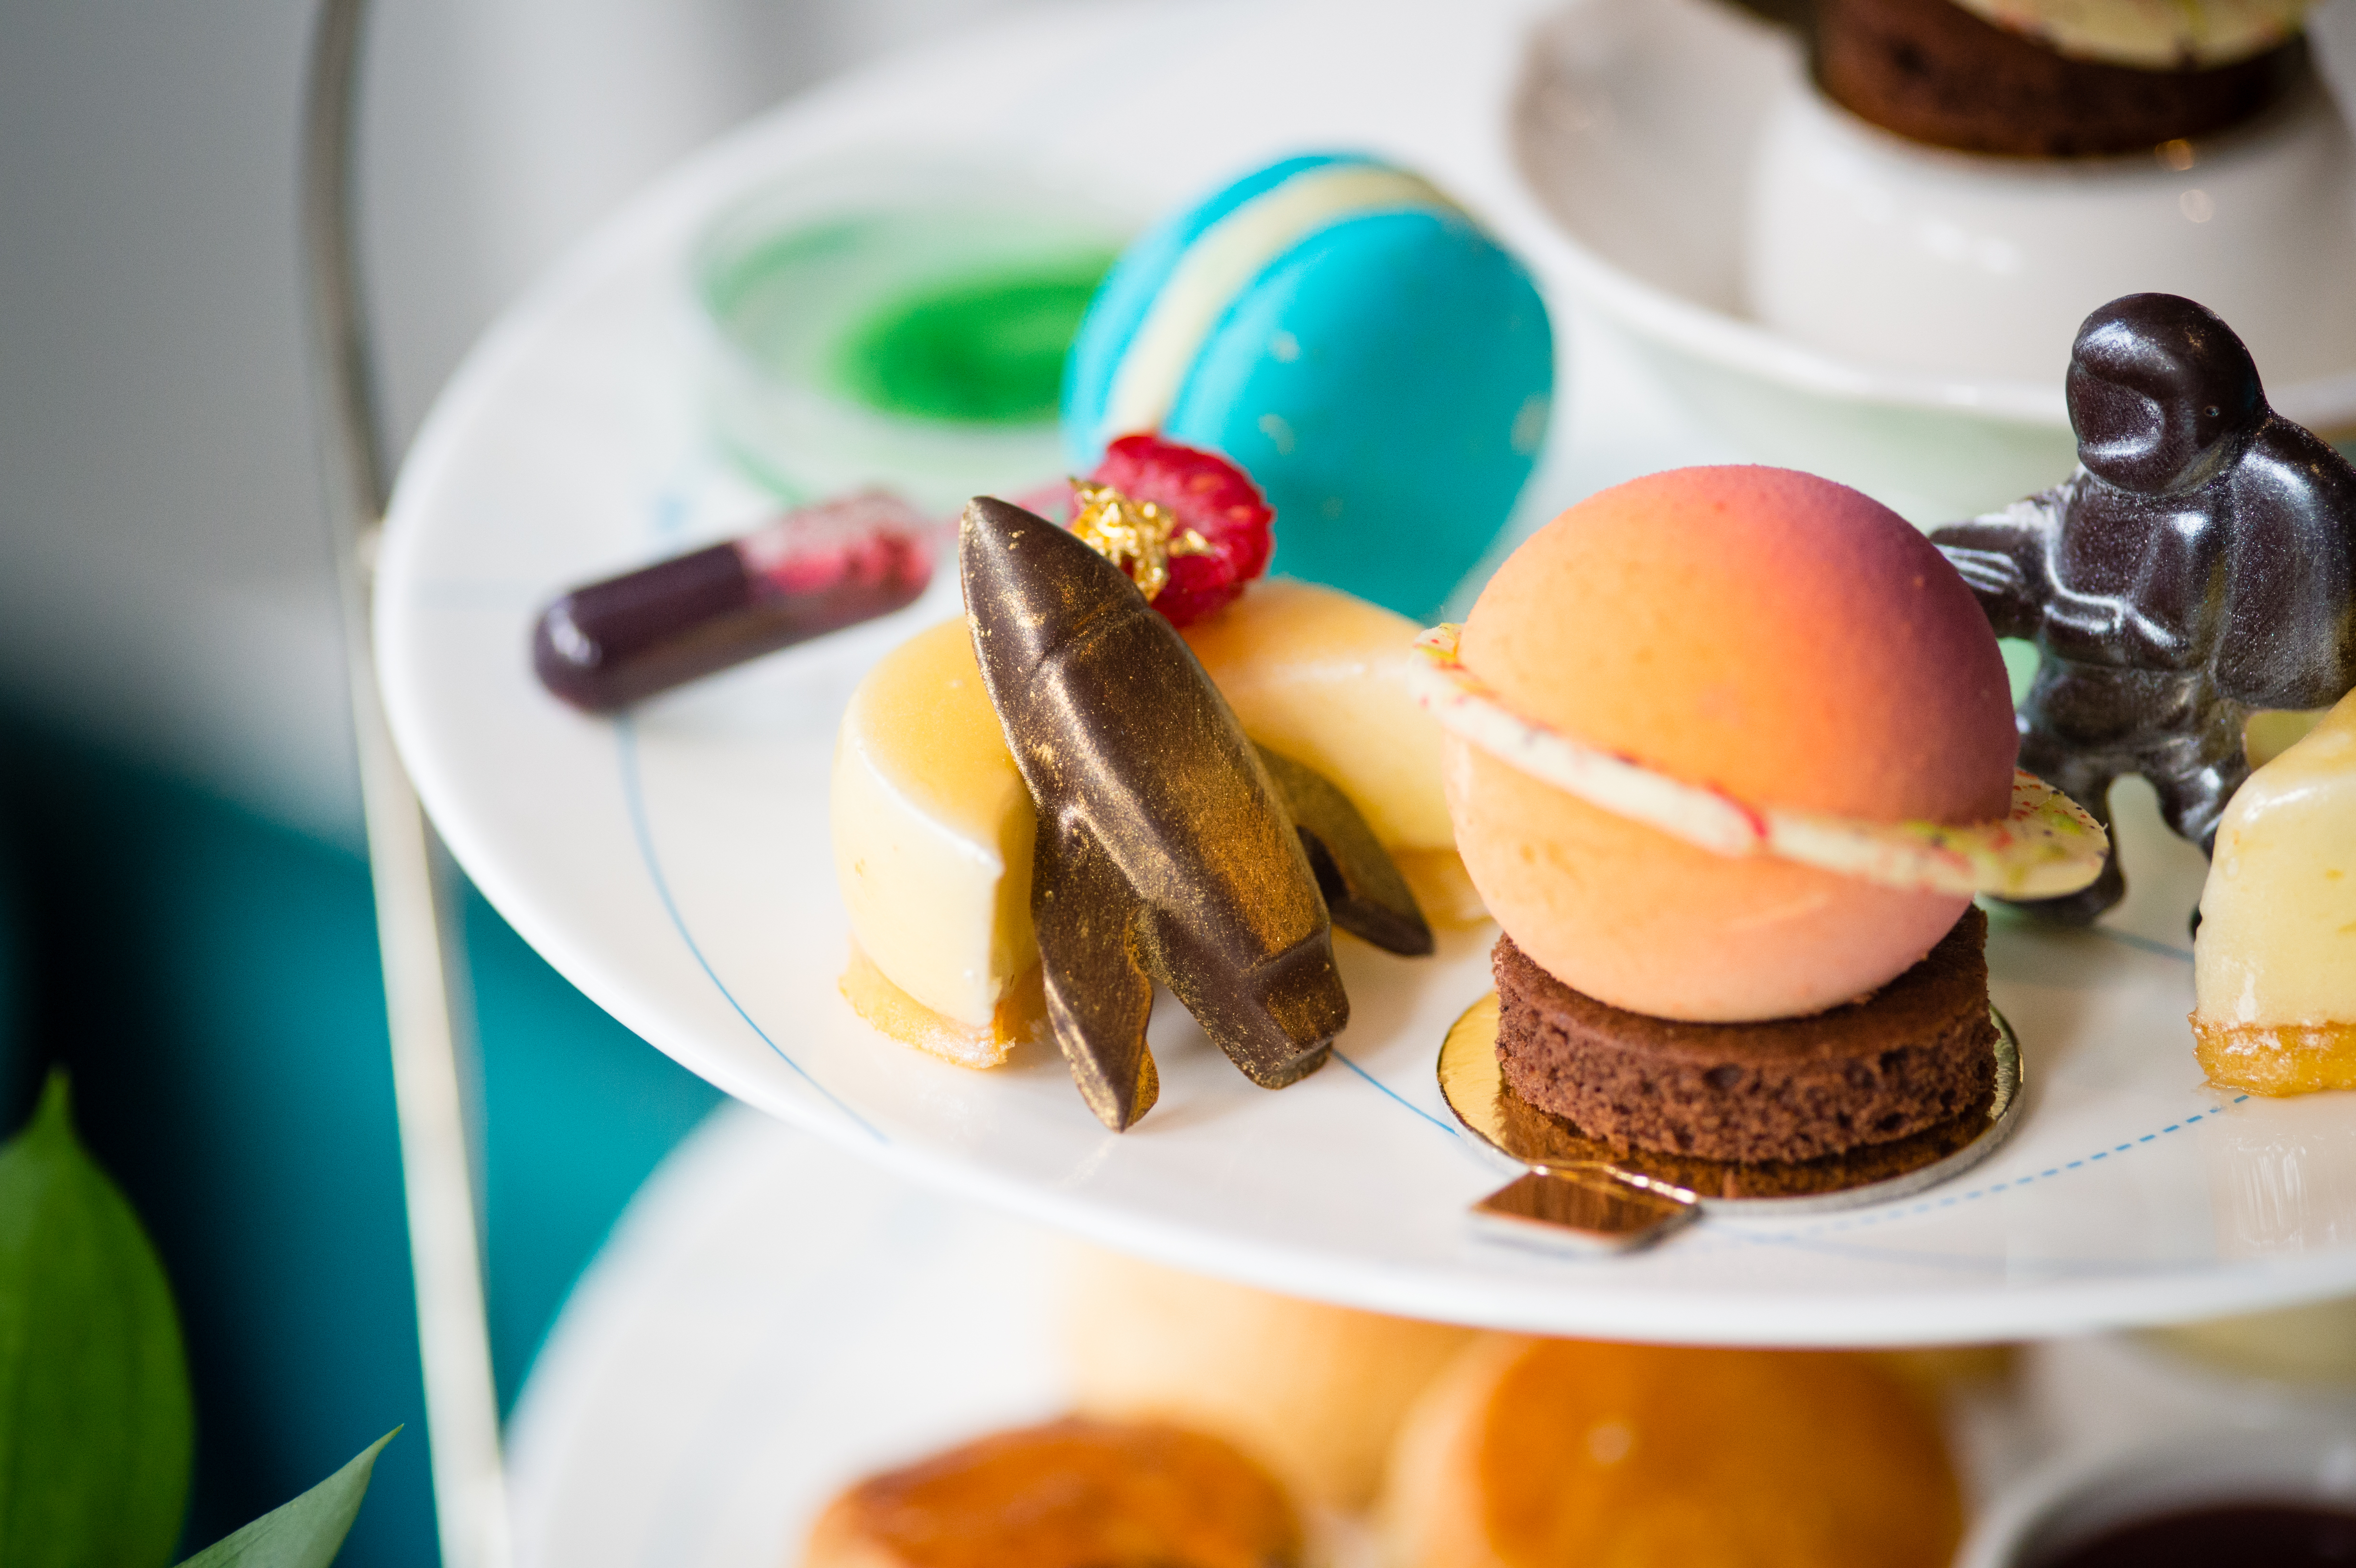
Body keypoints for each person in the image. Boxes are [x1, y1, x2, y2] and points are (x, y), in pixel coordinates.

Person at [1931, 293, 2356, 922]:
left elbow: (2167, 636)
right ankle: (2071, 894)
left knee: (2230, 818)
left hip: (2181, 725)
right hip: (2066, 713)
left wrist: (2066, 616)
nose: (2109, 423)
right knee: (2034, 804)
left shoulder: (2204, 518)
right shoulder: (2080, 499)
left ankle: (2247, 914)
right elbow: (2025, 544)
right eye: (2099, 398)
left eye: (2130, 407)